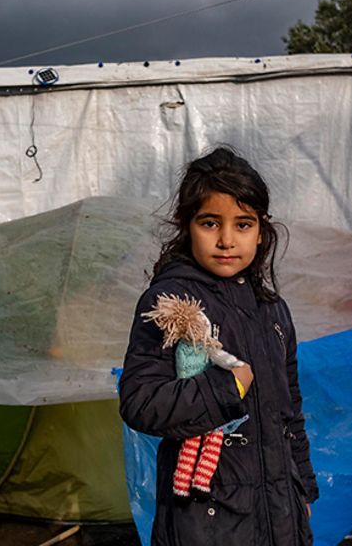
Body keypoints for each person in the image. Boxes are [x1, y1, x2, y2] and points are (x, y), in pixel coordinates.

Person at [119, 147, 317, 546]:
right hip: (206, 520)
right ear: (187, 225)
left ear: (261, 231)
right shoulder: (171, 304)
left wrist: (304, 491)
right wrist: (227, 388)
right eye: (211, 223)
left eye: (243, 225)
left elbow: (289, 410)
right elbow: (140, 402)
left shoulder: (272, 311)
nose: (227, 240)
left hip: (280, 513)